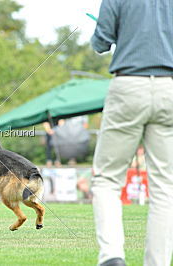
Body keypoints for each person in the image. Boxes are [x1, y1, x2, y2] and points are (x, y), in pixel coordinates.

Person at [91, 1, 173, 266]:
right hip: (168, 86)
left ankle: (112, 257)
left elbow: (101, 43)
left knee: (107, 179)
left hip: (129, 83)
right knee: (164, 186)